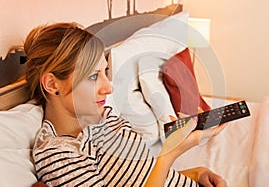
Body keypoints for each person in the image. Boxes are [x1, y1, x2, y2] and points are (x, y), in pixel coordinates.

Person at [13, 22, 227, 186]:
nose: (109, 88)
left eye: (105, 72)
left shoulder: (106, 117)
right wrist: (170, 153)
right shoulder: (59, 155)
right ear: (52, 84)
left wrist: (194, 174)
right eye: (92, 76)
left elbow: (140, 176)